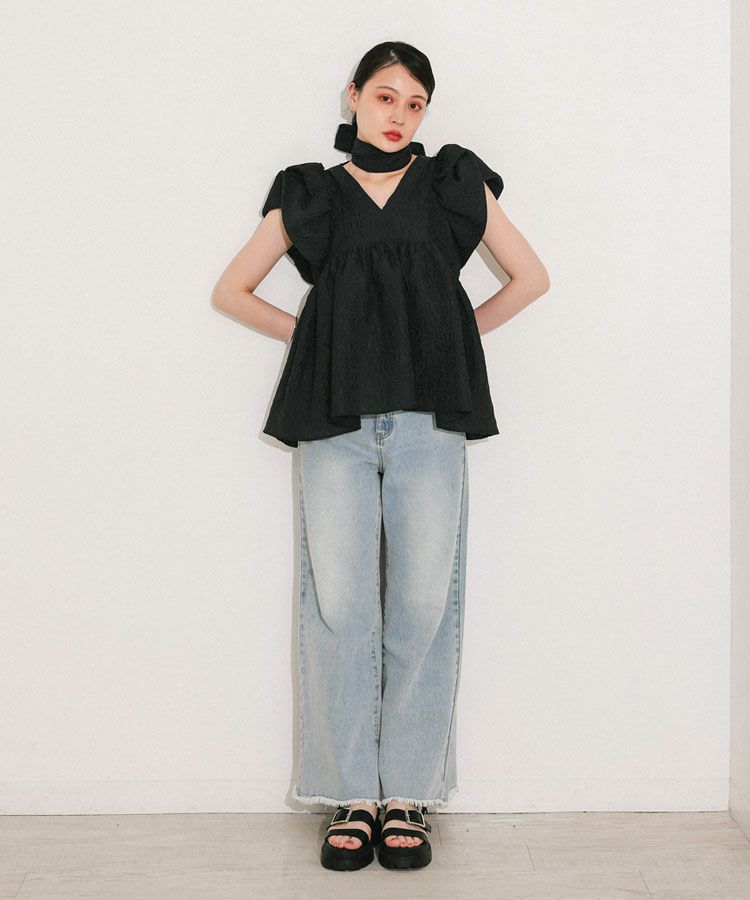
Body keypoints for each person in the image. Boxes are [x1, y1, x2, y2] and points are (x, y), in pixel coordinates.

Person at [212, 40, 550, 872]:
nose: (400, 115)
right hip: (336, 421)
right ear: (354, 96)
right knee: (341, 607)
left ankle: (409, 795)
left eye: (416, 103)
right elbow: (232, 290)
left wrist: (448, 339)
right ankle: (350, 796)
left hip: (430, 420)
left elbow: (531, 278)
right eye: (387, 96)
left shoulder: (452, 181)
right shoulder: (312, 193)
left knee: (425, 606)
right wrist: (317, 337)